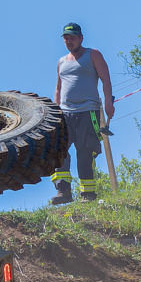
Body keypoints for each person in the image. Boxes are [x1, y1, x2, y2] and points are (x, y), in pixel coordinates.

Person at [49, 22, 114, 205]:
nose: (69, 41)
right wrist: (56, 111)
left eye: (72, 38)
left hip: (88, 111)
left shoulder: (93, 55)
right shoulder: (61, 62)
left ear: (80, 38)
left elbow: (106, 80)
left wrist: (108, 103)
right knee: (59, 149)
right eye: (66, 38)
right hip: (65, 113)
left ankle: (88, 194)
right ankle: (63, 191)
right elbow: (58, 88)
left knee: (85, 151)